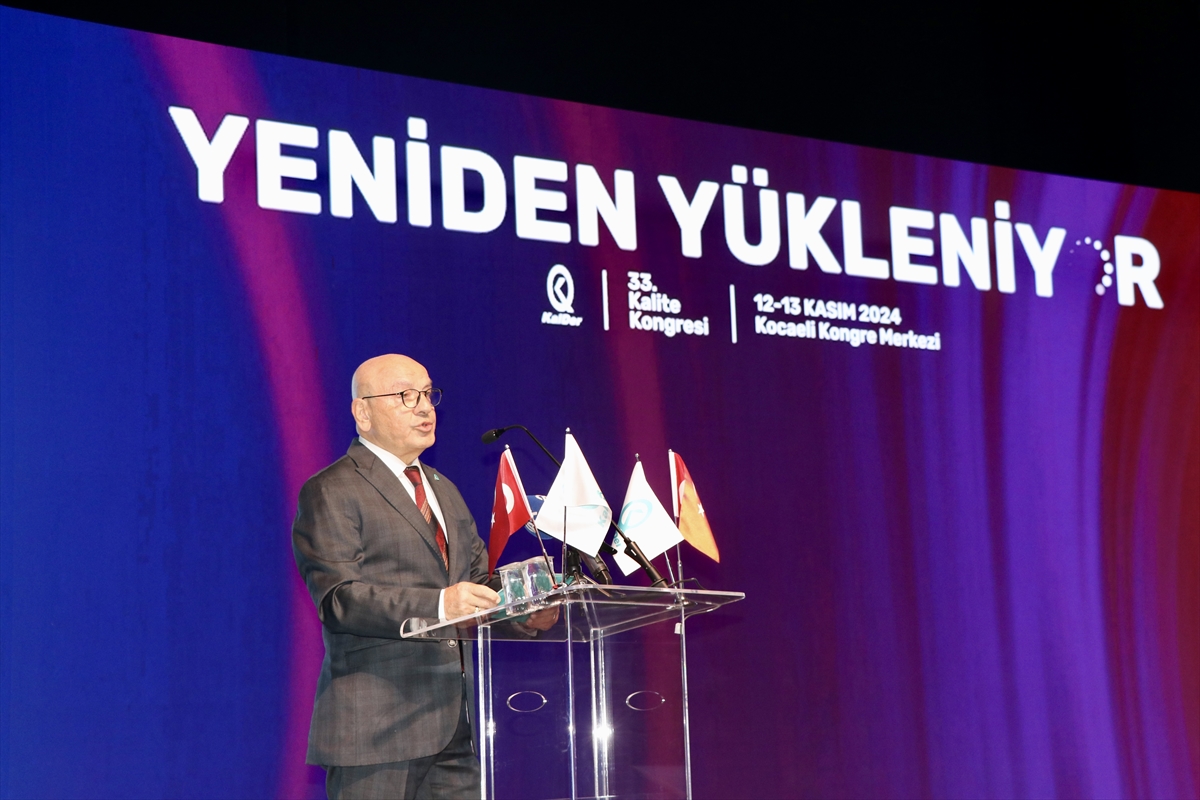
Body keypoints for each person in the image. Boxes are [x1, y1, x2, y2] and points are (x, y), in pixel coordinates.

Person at [293, 354, 500, 799]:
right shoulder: (332, 489)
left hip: (457, 730)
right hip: (377, 732)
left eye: (427, 394)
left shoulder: (444, 489)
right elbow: (339, 599)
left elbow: (479, 584)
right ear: (362, 412)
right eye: (406, 396)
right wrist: (440, 605)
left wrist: (532, 604)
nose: (424, 407)